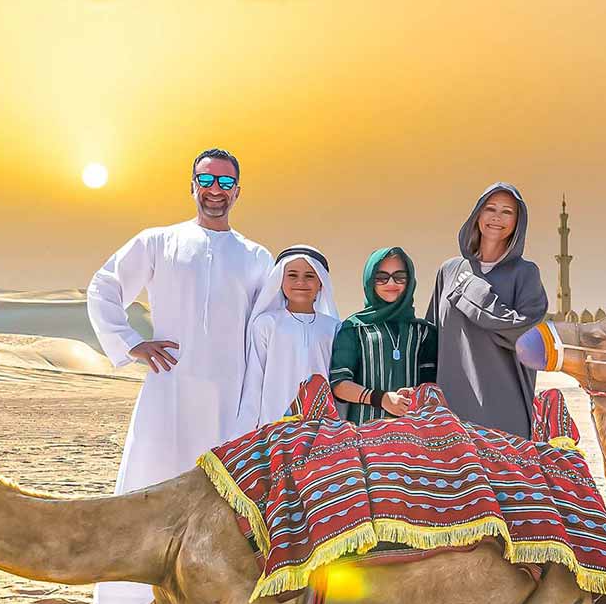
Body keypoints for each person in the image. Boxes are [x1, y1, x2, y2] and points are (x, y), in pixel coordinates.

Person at [86, 148, 271, 604]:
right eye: (206, 180)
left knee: (222, 501)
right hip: (169, 392)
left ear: (238, 192)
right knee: (152, 486)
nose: (215, 191)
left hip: (231, 397)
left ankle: (210, 602)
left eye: (226, 183)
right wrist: (130, 342)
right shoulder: (157, 241)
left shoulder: (256, 257)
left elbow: (271, 326)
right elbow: (104, 286)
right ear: (192, 186)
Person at [427, 183, 550, 437]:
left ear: (518, 222)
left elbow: (526, 336)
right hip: (449, 415)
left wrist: (472, 293)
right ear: (477, 215)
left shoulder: (525, 274)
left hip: (504, 414)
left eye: (507, 212)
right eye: (490, 208)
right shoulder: (449, 271)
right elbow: (432, 338)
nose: (497, 217)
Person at [233, 245, 340, 434]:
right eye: (292, 275)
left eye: (309, 276)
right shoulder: (266, 324)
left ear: (321, 283)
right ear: (279, 281)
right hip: (274, 427)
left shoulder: (334, 328)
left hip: (321, 428)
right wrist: (245, 431)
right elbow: (254, 382)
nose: (301, 282)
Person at [329, 247, 438, 424]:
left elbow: (430, 383)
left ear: (410, 281)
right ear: (370, 280)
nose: (391, 284)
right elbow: (339, 384)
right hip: (364, 433)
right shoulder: (354, 328)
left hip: (414, 436)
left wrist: (413, 393)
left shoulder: (423, 331)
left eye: (399, 277)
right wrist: (382, 399)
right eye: (381, 278)